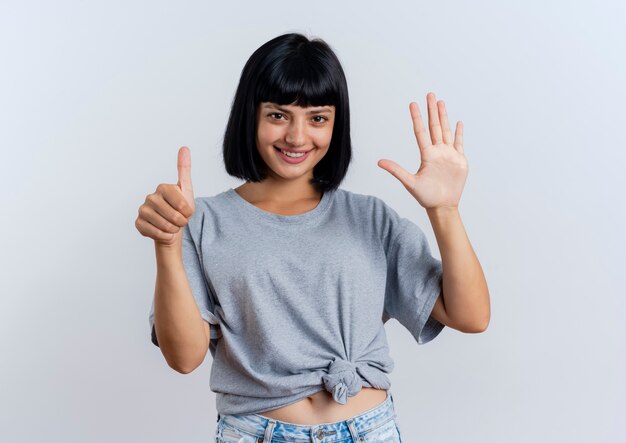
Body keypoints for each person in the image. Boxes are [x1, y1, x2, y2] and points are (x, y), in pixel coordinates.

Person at [135, 32, 490, 443]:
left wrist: (444, 211)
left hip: (368, 430)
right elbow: (183, 358)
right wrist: (166, 245)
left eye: (317, 117)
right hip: (256, 432)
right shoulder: (202, 221)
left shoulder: (369, 218)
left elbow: (471, 316)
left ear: (336, 124)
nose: (297, 137)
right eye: (278, 115)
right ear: (250, 115)